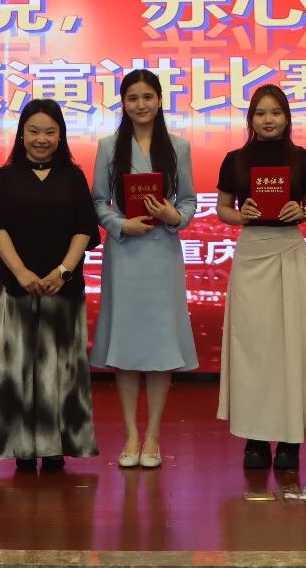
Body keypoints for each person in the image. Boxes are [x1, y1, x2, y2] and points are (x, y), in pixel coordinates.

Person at [215, 83, 306, 471]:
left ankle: (290, 440)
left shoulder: (304, 159)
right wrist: (241, 215)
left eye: (275, 112)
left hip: (290, 252)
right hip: (252, 254)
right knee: (253, 348)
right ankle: (254, 438)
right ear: (250, 119)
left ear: (287, 117)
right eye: (260, 113)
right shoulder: (234, 160)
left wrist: (303, 212)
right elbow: (222, 209)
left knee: (291, 345)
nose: (268, 120)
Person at [0, 98, 101, 471]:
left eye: (49, 131)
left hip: (63, 287)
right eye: (33, 131)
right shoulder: (5, 177)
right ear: (21, 134)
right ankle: (22, 448)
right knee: (16, 367)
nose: (41, 139)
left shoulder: (73, 177)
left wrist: (62, 271)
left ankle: (55, 446)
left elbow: (84, 229)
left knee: (61, 367)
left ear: (61, 135)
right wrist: (21, 273)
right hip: (15, 286)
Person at [90, 69, 199, 470]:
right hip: (125, 254)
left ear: (159, 100)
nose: (140, 104)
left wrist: (174, 216)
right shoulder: (107, 147)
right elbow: (98, 201)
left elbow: (189, 201)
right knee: (127, 346)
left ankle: (152, 434)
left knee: (159, 344)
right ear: (123, 103)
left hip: (162, 253)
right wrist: (121, 225)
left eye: (147, 97)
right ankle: (130, 435)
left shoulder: (178, 146)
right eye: (132, 98)